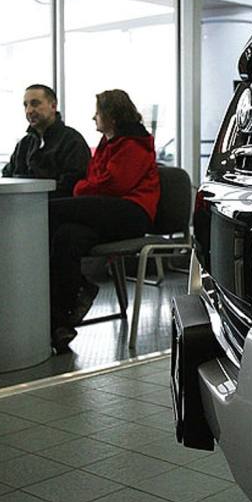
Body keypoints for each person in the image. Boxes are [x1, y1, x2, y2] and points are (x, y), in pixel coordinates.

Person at [48, 89, 160, 353]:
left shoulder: (134, 144)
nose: (93, 117)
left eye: (98, 112)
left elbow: (113, 184)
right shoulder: (108, 145)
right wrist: (87, 187)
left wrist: (81, 189)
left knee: (51, 211)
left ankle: (71, 298)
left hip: (132, 213)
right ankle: (60, 322)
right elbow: (99, 183)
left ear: (111, 115)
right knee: (67, 237)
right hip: (109, 214)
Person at [2, 84, 90, 197]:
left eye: (35, 104)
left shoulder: (72, 142)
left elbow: (70, 186)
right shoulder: (24, 144)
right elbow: (8, 177)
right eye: (25, 105)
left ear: (53, 106)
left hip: (55, 209)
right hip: (21, 207)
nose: (29, 110)